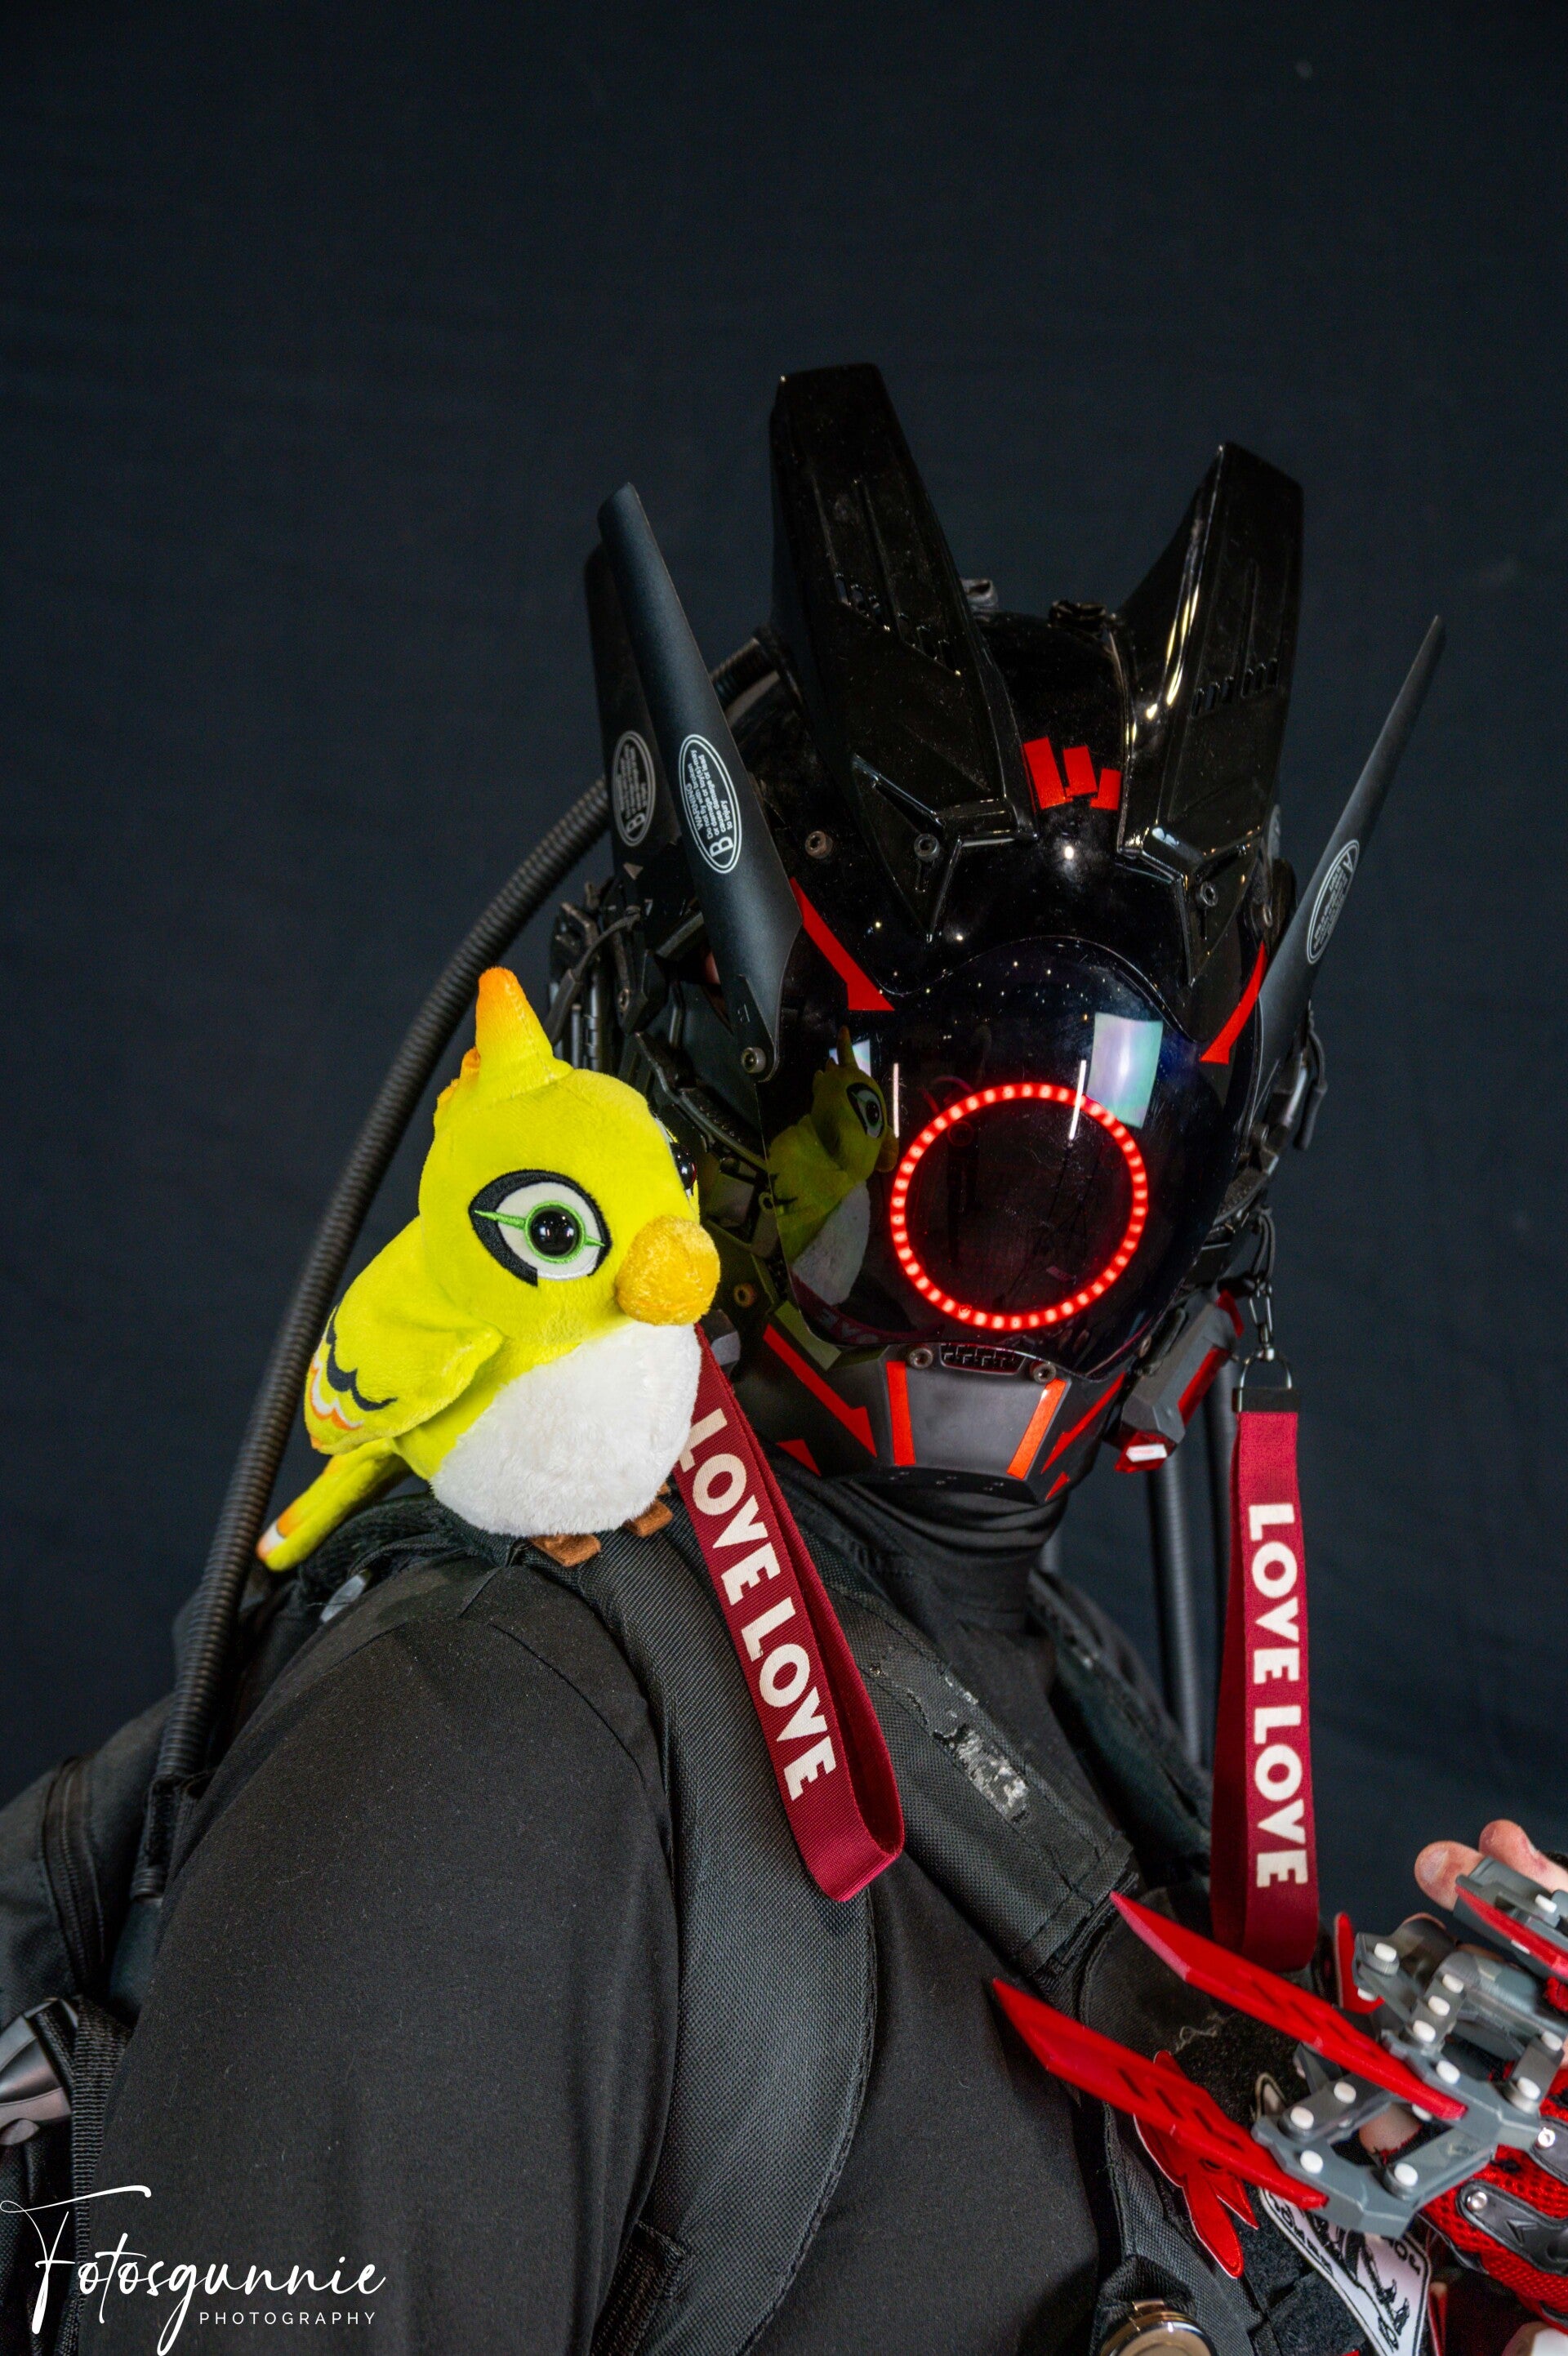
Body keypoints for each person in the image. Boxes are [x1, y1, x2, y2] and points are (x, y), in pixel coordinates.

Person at [86, 367, 1529, 2356]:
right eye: (960, 1151)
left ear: (1227, 1177)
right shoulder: (491, 1763)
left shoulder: (1081, 1717)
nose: (1025, 1249)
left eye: (1109, 1163)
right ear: (703, 1085)